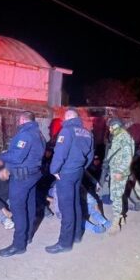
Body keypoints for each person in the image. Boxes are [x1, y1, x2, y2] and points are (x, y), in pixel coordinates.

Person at [0, 111, 45, 257]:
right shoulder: (38, 133)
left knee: (18, 210)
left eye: (18, 120)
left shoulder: (25, 134)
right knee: (29, 207)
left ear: (23, 119)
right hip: (32, 175)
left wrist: (1, 154)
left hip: (21, 177)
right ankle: (28, 236)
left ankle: (18, 245)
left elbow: (17, 157)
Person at [46, 108, 94, 253]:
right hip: (78, 172)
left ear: (67, 118)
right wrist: (82, 167)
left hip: (65, 174)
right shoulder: (87, 133)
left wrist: (54, 170)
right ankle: (77, 235)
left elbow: (59, 153)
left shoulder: (67, 131)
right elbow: (90, 155)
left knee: (67, 207)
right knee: (76, 203)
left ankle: (64, 243)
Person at [102, 117, 134, 234]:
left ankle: (116, 223)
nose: (109, 129)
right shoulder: (118, 137)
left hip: (119, 172)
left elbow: (128, 156)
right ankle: (121, 217)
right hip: (115, 170)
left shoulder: (123, 137)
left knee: (116, 197)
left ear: (116, 126)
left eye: (111, 126)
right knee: (118, 195)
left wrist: (120, 171)